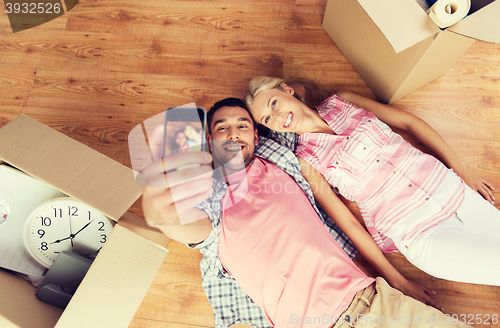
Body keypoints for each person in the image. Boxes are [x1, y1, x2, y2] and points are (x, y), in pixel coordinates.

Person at [141, 98, 473, 328]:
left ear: (256, 136)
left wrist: (397, 281)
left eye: (241, 125)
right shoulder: (211, 203)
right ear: (209, 141)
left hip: (380, 304)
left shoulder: (285, 164)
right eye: (221, 128)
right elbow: (184, 224)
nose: (232, 133)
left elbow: (293, 101)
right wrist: (160, 211)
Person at [245, 76, 500, 287]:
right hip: (421, 233)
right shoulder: (305, 161)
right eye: (267, 119)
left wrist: (463, 170)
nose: (277, 117)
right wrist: (396, 280)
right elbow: (348, 223)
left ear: (288, 90)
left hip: (457, 193)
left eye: (274, 104)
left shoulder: (344, 100)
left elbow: (408, 122)